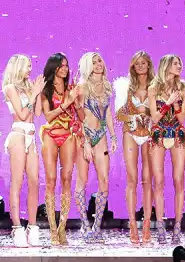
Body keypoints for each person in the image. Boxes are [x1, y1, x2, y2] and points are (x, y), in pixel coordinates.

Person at [75, 52, 118, 241]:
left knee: (104, 180)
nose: (98, 64)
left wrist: (113, 136)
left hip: (101, 136)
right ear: (87, 66)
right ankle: (84, 224)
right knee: (82, 180)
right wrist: (85, 141)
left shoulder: (107, 86)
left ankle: (96, 225)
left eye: (99, 60)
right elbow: (78, 116)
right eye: (93, 62)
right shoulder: (82, 87)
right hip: (83, 135)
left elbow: (107, 113)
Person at [39, 53, 80, 245]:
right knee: (51, 180)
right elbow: (48, 116)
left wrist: (77, 101)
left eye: (66, 65)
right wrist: (67, 103)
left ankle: (62, 227)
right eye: (61, 65)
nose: (65, 69)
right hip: (50, 134)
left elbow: (80, 114)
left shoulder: (71, 88)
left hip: (68, 134)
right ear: (53, 67)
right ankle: (52, 230)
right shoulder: (46, 90)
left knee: (67, 179)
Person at [3, 54, 44, 247]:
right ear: (18, 67)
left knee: (34, 181)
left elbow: (37, 113)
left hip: (31, 136)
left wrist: (39, 93)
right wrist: (34, 94)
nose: (30, 69)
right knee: (17, 182)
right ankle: (17, 228)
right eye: (27, 66)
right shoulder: (10, 88)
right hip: (18, 135)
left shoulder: (30, 87)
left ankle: (32, 227)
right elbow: (21, 114)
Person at [148, 54, 185, 243]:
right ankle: (160, 226)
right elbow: (155, 118)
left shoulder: (184, 87)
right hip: (158, 134)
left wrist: (176, 103)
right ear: (166, 66)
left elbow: (181, 119)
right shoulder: (153, 88)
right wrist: (167, 103)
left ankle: (177, 227)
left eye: (180, 63)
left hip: (177, 134)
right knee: (158, 181)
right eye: (175, 63)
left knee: (178, 180)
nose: (179, 66)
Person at [114, 51, 154, 244]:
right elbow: (118, 114)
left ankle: (146, 224)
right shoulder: (126, 87)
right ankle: (132, 225)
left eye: (143, 63)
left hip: (149, 134)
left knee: (147, 180)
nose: (140, 66)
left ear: (148, 64)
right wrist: (133, 117)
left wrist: (150, 118)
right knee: (132, 179)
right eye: (137, 63)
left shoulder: (155, 87)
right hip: (130, 133)